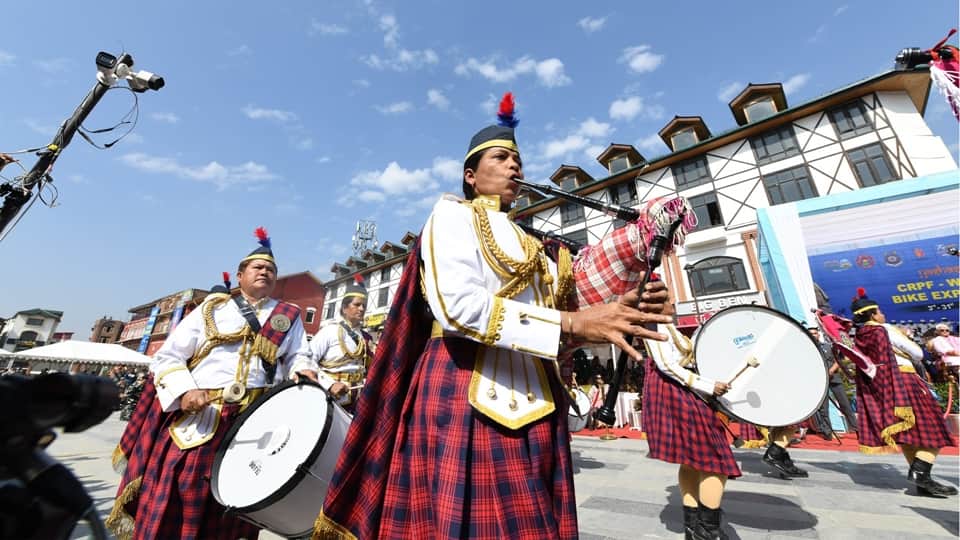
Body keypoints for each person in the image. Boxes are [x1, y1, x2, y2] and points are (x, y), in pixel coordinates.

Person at [314, 93, 686, 540]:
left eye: (519, 160)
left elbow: (566, 320)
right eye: (501, 157)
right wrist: (572, 324)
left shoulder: (533, 245)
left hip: (536, 401)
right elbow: (459, 308)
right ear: (471, 175)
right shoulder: (450, 217)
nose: (516, 167)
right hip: (460, 386)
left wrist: (622, 309)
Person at [106, 228, 319, 539]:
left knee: (237, 503)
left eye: (271, 270)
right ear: (240, 274)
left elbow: (299, 355)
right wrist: (185, 391)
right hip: (203, 414)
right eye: (258, 267)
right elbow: (167, 358)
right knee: (184, 490)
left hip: (254, 420)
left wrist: (305, 371)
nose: (265, 272)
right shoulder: (211, 309)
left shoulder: (287, 316)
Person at [850, 288, 957, 497]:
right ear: (873, 314)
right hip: (906, 381)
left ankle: (921, 482)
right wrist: (904, 336)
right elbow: (917, 353)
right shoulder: (885, 329)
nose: (883, 315)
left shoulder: (861, 335)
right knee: (935, 429)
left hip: (884, 386)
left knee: (910, 436)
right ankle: (921, 471)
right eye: (879, 311)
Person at [642, 322, 738, 540]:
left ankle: (693, 527)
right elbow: (666, 364)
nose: (668, 297)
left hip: (681, 389)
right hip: (676, 390)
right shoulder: (652, 323)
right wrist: (706, 384)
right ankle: (706, 531)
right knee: (715, 461)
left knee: (691, 461)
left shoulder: (666, 323)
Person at [311, 276, 374, 412]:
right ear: (345, 308)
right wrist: (330, 384)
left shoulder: (366, 337)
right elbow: (308, 361)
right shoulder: (329, 331)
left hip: (359, 398)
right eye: (356, 305)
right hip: (331, 395)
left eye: (364, 305)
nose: (361, 309)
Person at [809, 326, 859, 436]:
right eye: (811, 333)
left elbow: (839, 358)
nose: (813, 335)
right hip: (820, 381)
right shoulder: (808, 349)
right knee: (823, 407)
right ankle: (827, 431)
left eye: (815, 333)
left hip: (834, 378)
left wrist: (832, 369)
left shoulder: (828, 346)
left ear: (819, 335)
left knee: (844, 403)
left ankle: (856, 428)